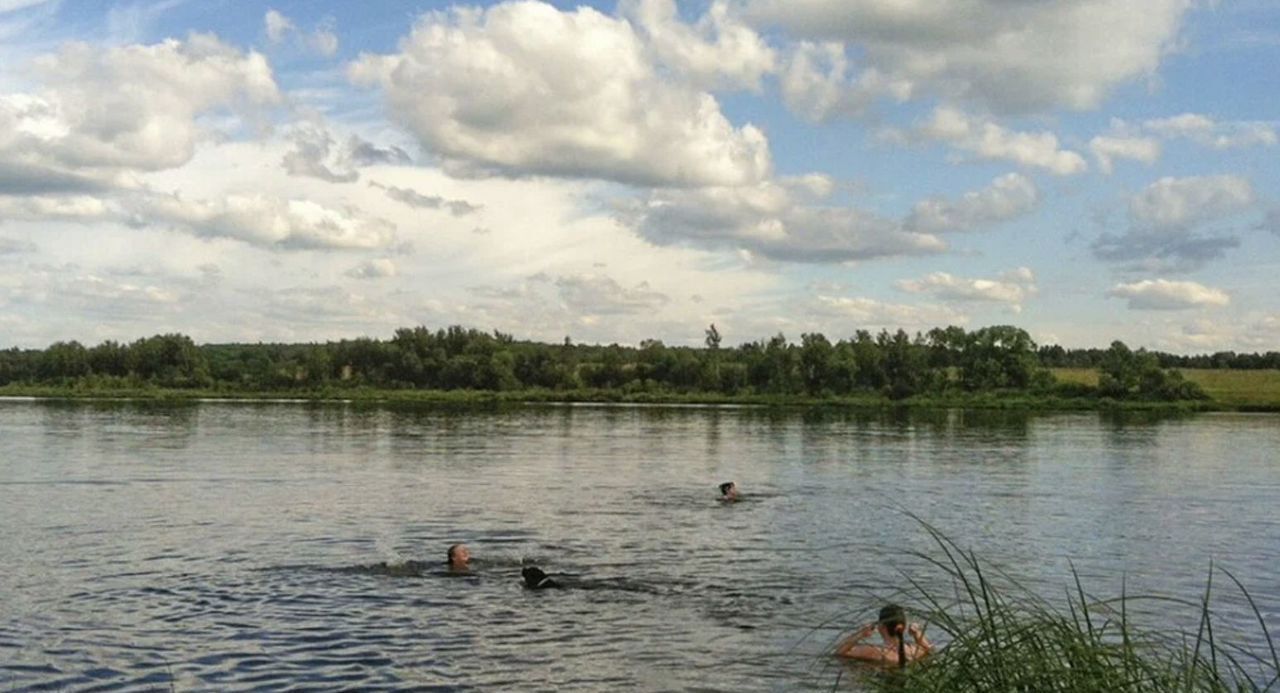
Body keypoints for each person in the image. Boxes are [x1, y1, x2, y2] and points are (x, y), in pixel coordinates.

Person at [835, 604, 932, 665]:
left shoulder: (875, 652)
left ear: (882, 627)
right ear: (904, 627)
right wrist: (917, 633)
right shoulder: (914, 651)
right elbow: (929, 649)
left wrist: (861, 634)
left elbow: (840, 652)